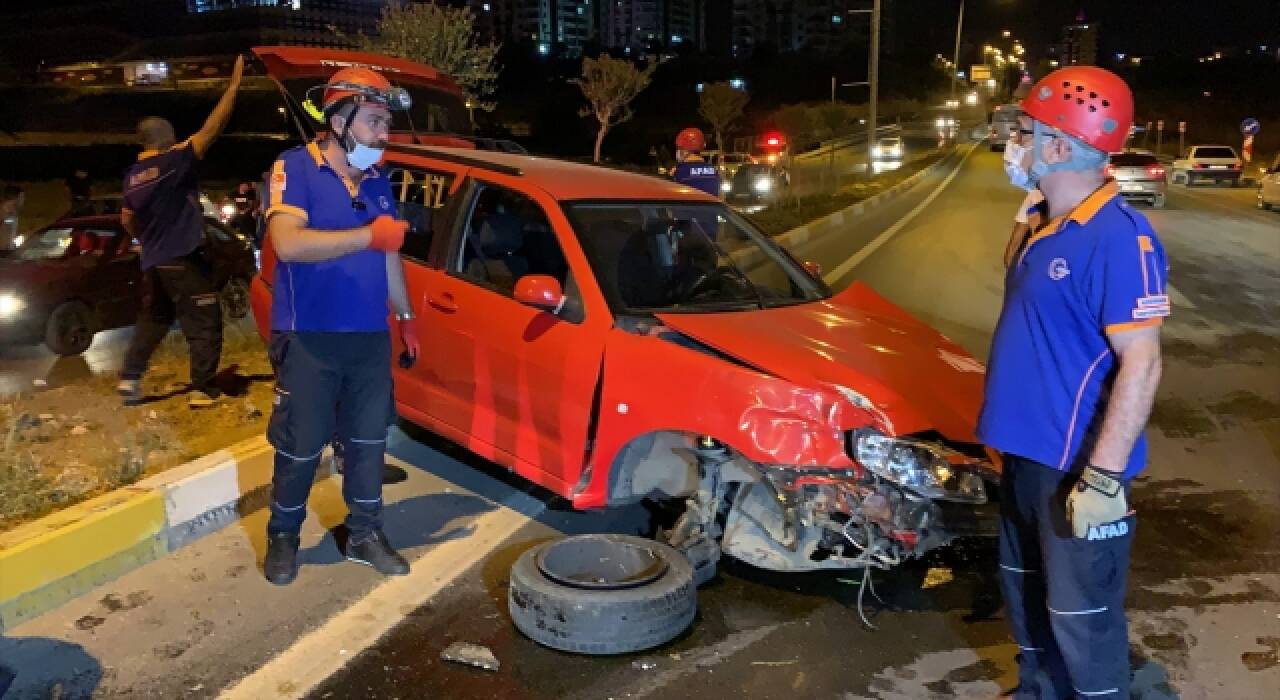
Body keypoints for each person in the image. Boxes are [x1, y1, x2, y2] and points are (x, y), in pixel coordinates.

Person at [979, 66, 1167, 699]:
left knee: (1083, 625)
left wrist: (1106, 479)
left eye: (1027, 132)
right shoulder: (1046, 223)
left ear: (1059, 145)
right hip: (1026, 461)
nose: (1016, 142)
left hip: (1078, 469)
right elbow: (1022, 285)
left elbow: (1143, 363)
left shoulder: (1118, 236)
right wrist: (1034, 203)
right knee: (1028, 602)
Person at [259, 65, 421, 586]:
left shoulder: (377, 182)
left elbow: (390, 254)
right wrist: (368, 237)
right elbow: (288, 244)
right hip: (309, 338)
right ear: (339, 119)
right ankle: (283, 535)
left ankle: (366, 533)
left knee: (369, 442)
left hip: (368, 337)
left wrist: (407, 315)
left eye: (387, 125)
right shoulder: (294, 168)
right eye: (375, 121)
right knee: (301, 445)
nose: (383, 135)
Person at [117, 55, 244, 408]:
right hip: (183, 258)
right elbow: (212, 129)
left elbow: (126, 219)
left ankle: (129, 380)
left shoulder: (132, 176)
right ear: (167, 137)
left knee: (155, 318)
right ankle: (203, 388)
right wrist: (233, 87)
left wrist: (143, 240)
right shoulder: (172, 163)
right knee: (205, 319)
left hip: (155, 261)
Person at [671, 128, 722, 197]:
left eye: (679, 148)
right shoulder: (713, 170)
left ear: (684, 151)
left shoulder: (679, 171)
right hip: (710, 207)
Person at [0, 184, 24, 252]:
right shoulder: (2, 211)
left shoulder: (14, 213)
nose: (23, 200)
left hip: (9, 252)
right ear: (16, 198)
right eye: (22, 197)